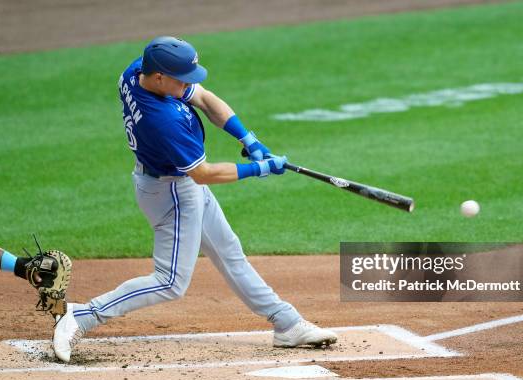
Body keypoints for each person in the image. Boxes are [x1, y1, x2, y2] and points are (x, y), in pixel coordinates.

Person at [53, 36, 337, 362]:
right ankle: (83, 316)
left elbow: (203, 97)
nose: (188, 83)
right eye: (181, 78)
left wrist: (249, 138)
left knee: (229, 251)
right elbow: (203, 173)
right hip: (172, 192)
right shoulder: (163, 121)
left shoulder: (137, 72)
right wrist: (259, 168)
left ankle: (286, 323)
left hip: (171, 183)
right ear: (160, 77)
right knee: (170, 281)